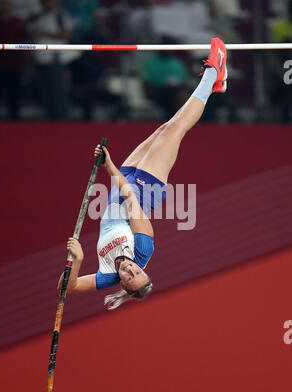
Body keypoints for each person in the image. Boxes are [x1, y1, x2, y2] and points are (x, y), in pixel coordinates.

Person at [59, 38, 228, 310]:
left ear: (122, 284)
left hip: (124, 182)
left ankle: (216, 83)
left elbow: (69, 289)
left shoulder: (106, 275)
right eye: (138, 272)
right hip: (143, 189)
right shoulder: (142, 250)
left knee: (167, 128)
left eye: (129, 277)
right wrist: (109, 166)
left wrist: (77, 260)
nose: (131, 271)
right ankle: (213, 72)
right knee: (176, 129)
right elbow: (131, 199)